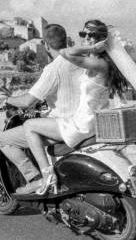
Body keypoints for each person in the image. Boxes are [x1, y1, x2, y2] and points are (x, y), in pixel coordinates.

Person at [19, 19, 129, 195]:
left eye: (91, 35)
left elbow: (65, 52)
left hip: (83, 123)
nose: (86, 38)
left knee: (29, 126)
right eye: (83, 34)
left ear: (101, 39)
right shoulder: (99, 61)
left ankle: (47, 176)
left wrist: (92, 48)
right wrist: (94, 48)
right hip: (93, 121)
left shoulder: (99, 63)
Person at [0, 24, 83, 193]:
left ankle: (37, 179)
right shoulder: (80, 62)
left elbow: (27, 101)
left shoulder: (53, 68)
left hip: (63, 126)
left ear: (46, 45)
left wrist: (7, 99)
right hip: (82, 121)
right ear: (66, 41)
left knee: (3, 140)